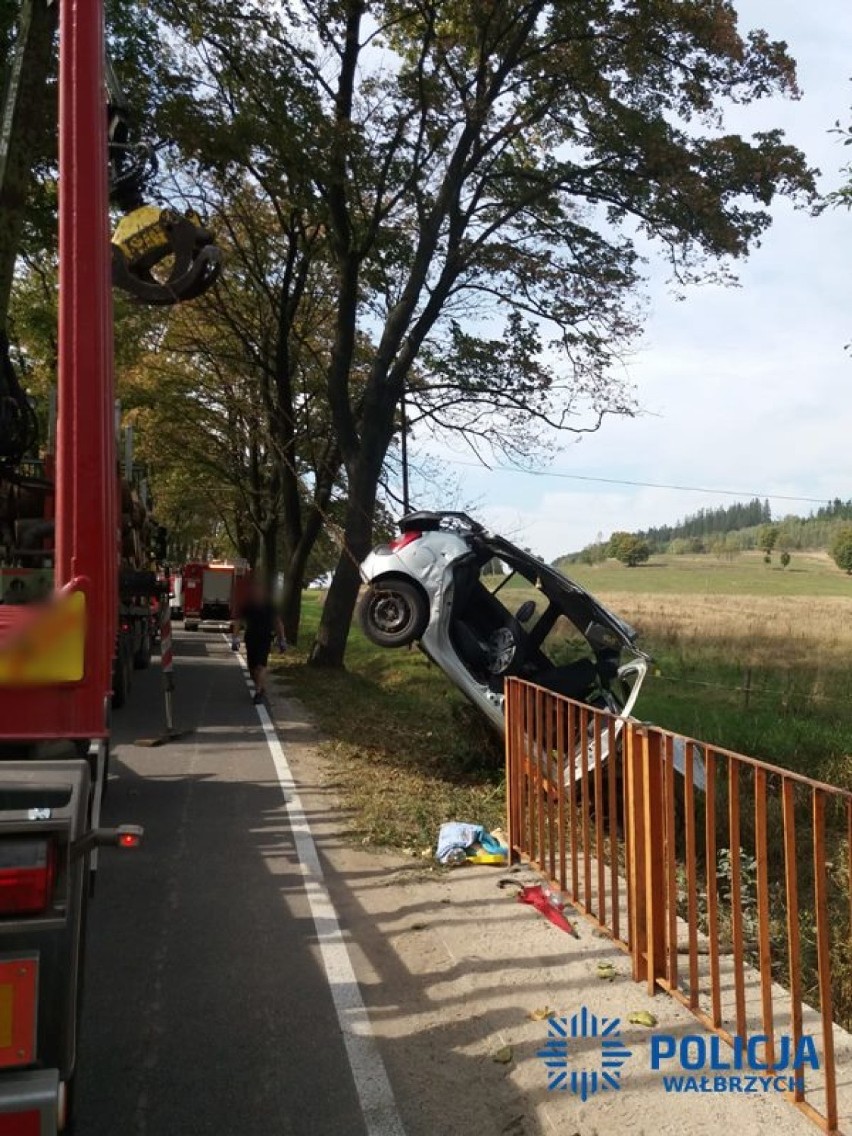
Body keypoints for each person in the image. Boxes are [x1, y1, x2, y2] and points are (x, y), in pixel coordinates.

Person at [234, 578, 286, 705]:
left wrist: (282, 639)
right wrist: (235, 637)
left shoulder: (270, 606)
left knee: (261, 666)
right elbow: (239, 621)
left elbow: (278, 623)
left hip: (265, 638)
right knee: (252, 669)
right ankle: (260, 686)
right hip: (251, 638)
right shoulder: (248, 606)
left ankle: (258, 693)